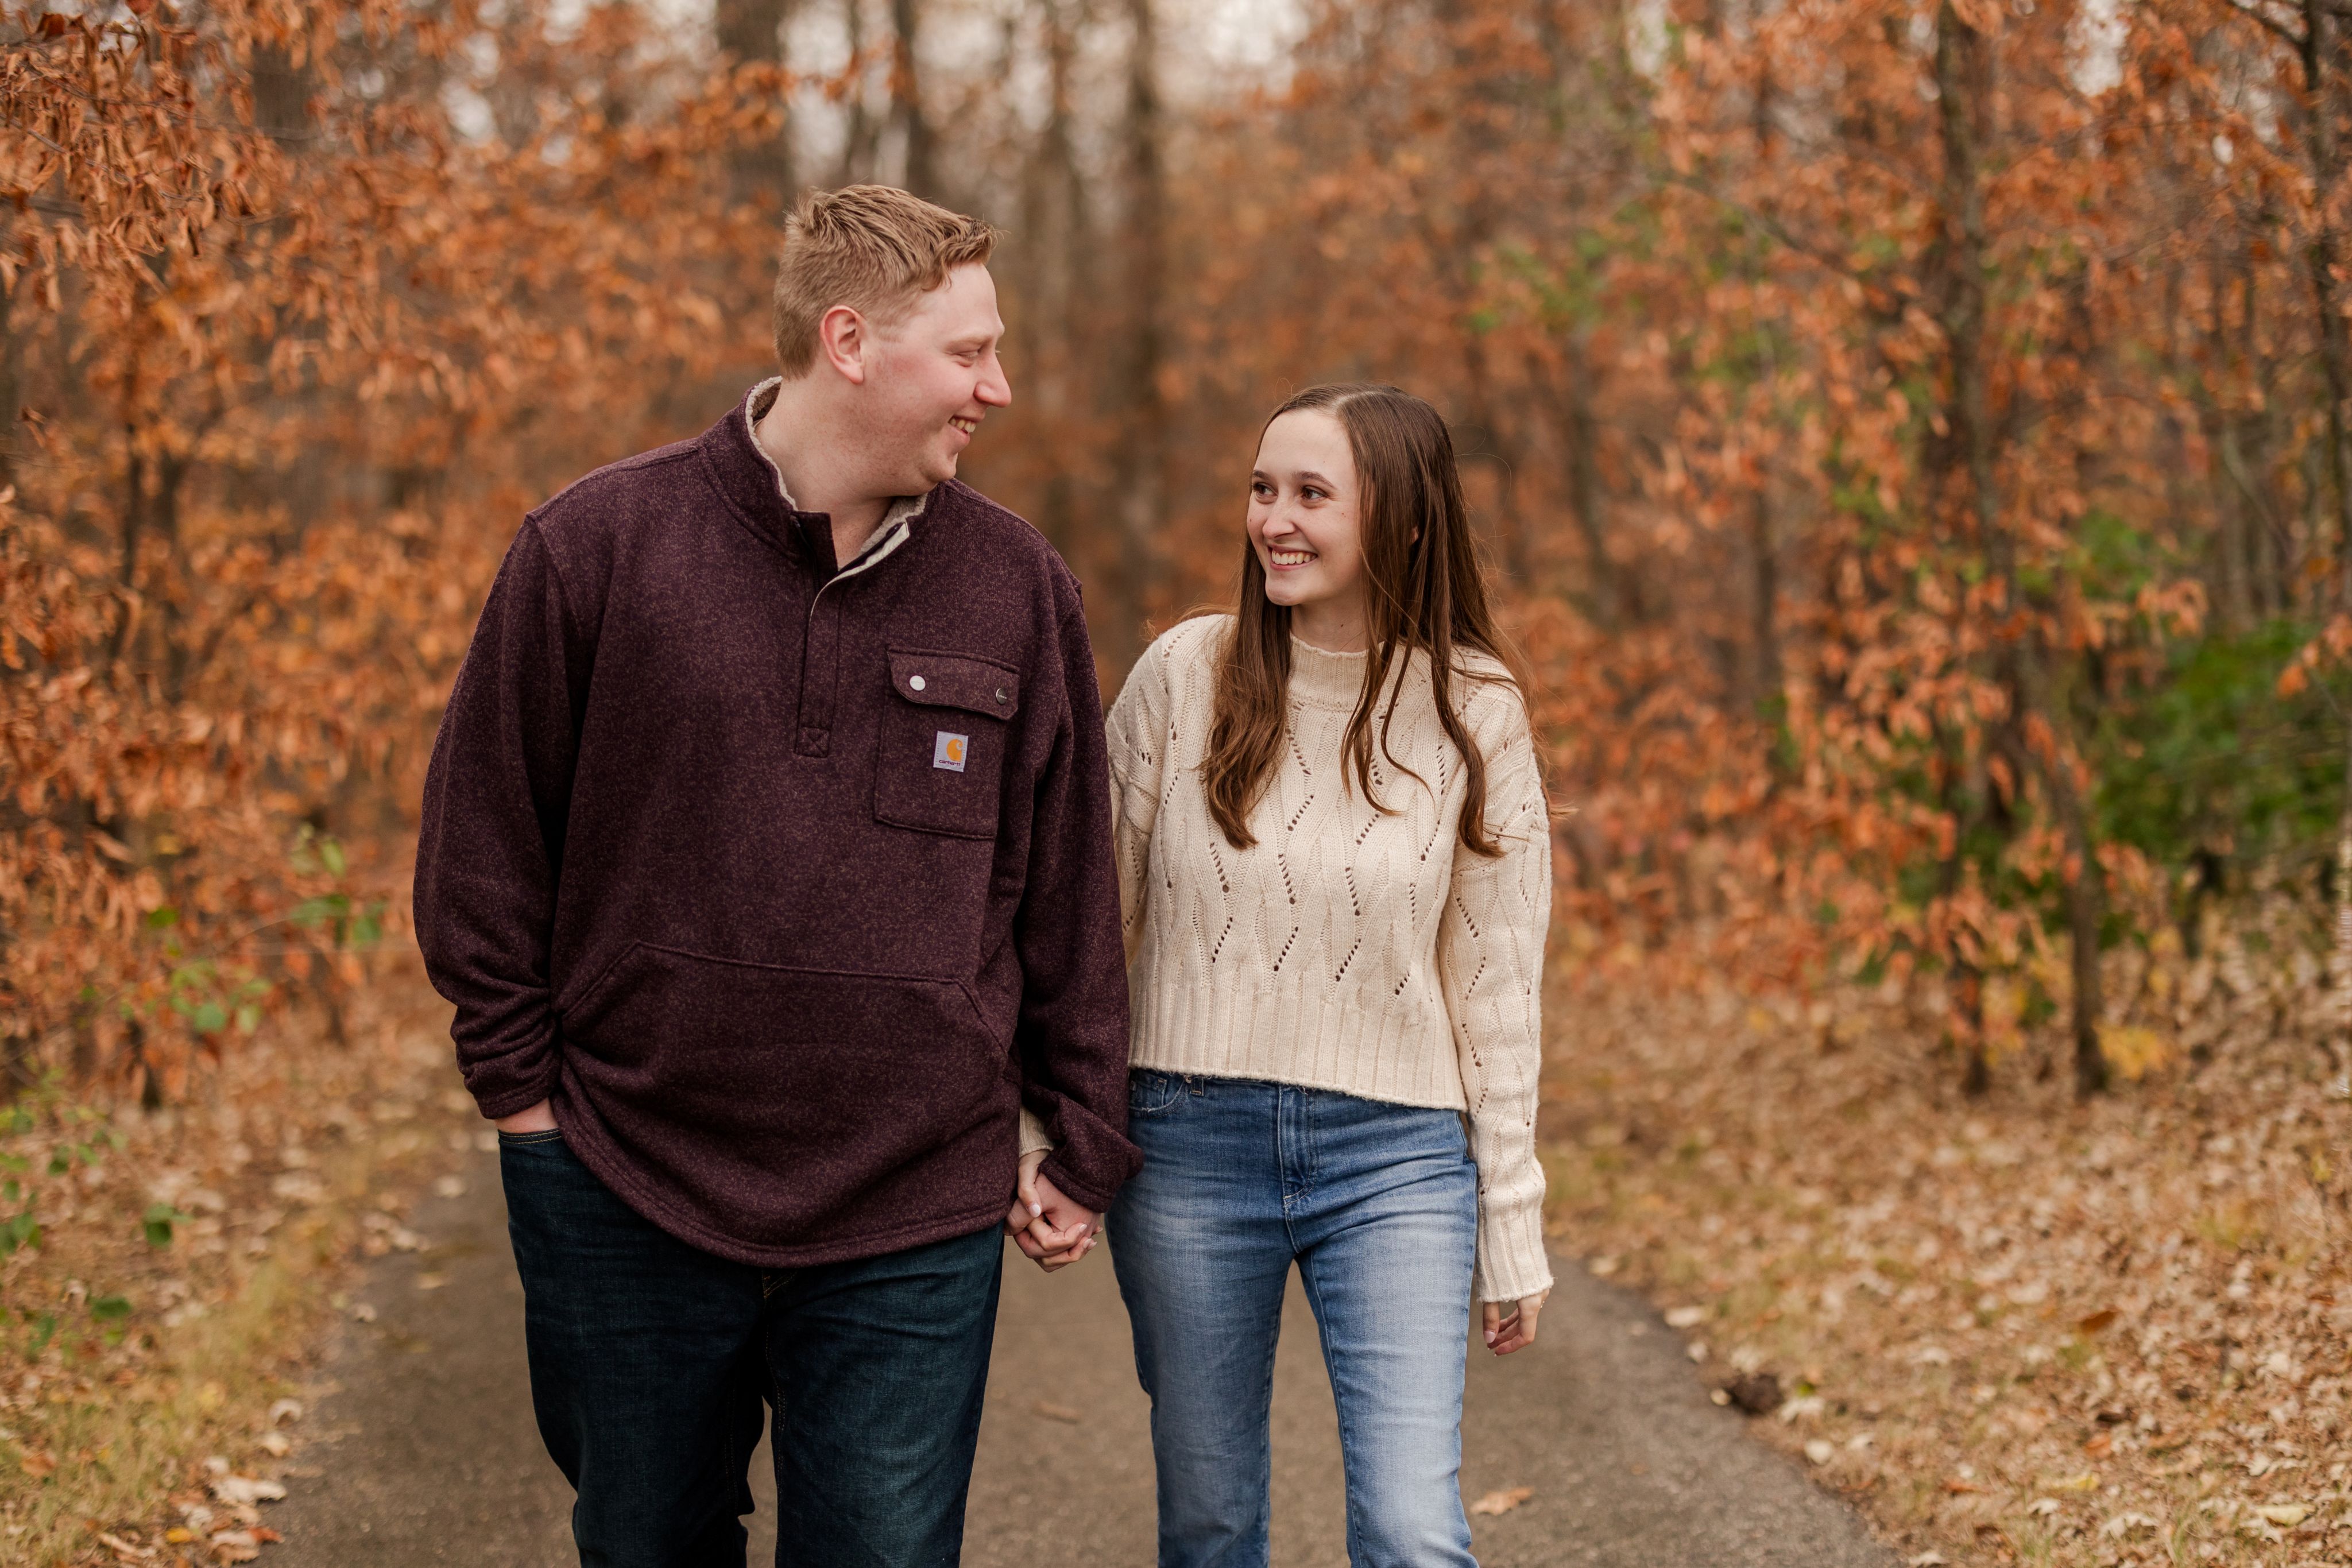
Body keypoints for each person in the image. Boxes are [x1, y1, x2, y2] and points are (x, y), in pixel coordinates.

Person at [412, 184, 1136, 1567]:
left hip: (911, 1205)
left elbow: (1065, 891)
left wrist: (1081, 1131)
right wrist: (524, 1107)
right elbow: (482, 851)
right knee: (646, 1544)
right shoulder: (597, 549)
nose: (1000, 386)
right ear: (850, 341)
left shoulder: (1015, 586)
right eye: (969, 352)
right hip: (621, 1181)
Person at [1102, 382, 1554, 1567]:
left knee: (1411, 1530)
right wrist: (1044, 1129)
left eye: (1311, 494)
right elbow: (1084, 929)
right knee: (1208, 1525)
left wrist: (1511, 1218)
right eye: (1262, 489)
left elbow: (1498, 987)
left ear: (1400, 520)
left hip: (1397, 1156)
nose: (1273, 521)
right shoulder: (1180, 675)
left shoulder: (1475, 711)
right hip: (1187, 1141)